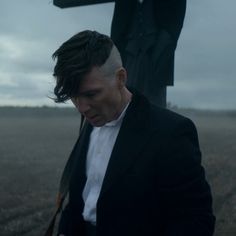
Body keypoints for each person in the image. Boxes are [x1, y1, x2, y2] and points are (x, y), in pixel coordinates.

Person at [52, 30, 215, 236]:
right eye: (73, 96)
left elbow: (195, 220)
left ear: (121, 78)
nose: (81, 107)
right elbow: (79, 200)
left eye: (91, 94)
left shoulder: (171, 132)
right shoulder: (92, 121)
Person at [53, 0, 186, 107]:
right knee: (126, 97)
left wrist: (160, 52)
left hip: (155, 55)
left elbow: (173, 25)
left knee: (153, 102)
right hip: (128, 53)